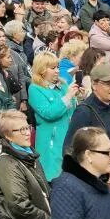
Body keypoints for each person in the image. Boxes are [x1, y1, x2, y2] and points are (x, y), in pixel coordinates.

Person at [26, 51, 79, 180]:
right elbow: (49, 113)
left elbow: (72, 111)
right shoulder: (35, 89)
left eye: (58, 67)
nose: (57, 71)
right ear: (42, 70)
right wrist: (67, 97)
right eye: (53, 68)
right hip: (50, 145)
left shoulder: (64, 85)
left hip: (68, 140)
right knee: (53, 181)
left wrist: (76, 97)